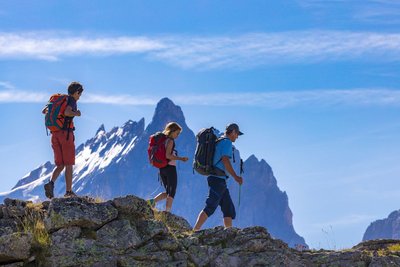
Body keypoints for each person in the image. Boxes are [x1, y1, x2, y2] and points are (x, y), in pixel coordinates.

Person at [193, 123, 244, 231]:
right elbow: (225, 160)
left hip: (218, 179)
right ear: (233, 132)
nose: (237, 136)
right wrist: (235, 177)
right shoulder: (227, 142)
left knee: (228, 208)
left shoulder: (219, 141)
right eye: (237, 134)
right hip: (217, 179)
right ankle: (195, 230)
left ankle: (229, 233)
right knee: (211, 205)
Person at [43, 82, 83, 198]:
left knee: (60, 164)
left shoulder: (60, 100)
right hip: (66, 134)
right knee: (69, 164)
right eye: (79, 94)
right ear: (76, 92)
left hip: (54, 134)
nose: (79, 97)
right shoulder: (71, 101)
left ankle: (50, 183)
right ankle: (69, 192)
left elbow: (44, 111)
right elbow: (67, 112)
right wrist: (77, 113)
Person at [147, 122, 189, 212]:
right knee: (172, 192)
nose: (177, 136)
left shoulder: (163, 140)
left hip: (162, 169)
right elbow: (168, 156)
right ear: (172, 131)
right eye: (177, 133)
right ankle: (167, 213)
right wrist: (181, 158)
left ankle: (151, 202)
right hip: (170, 168)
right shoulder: (170, 141)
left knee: (168, 192)